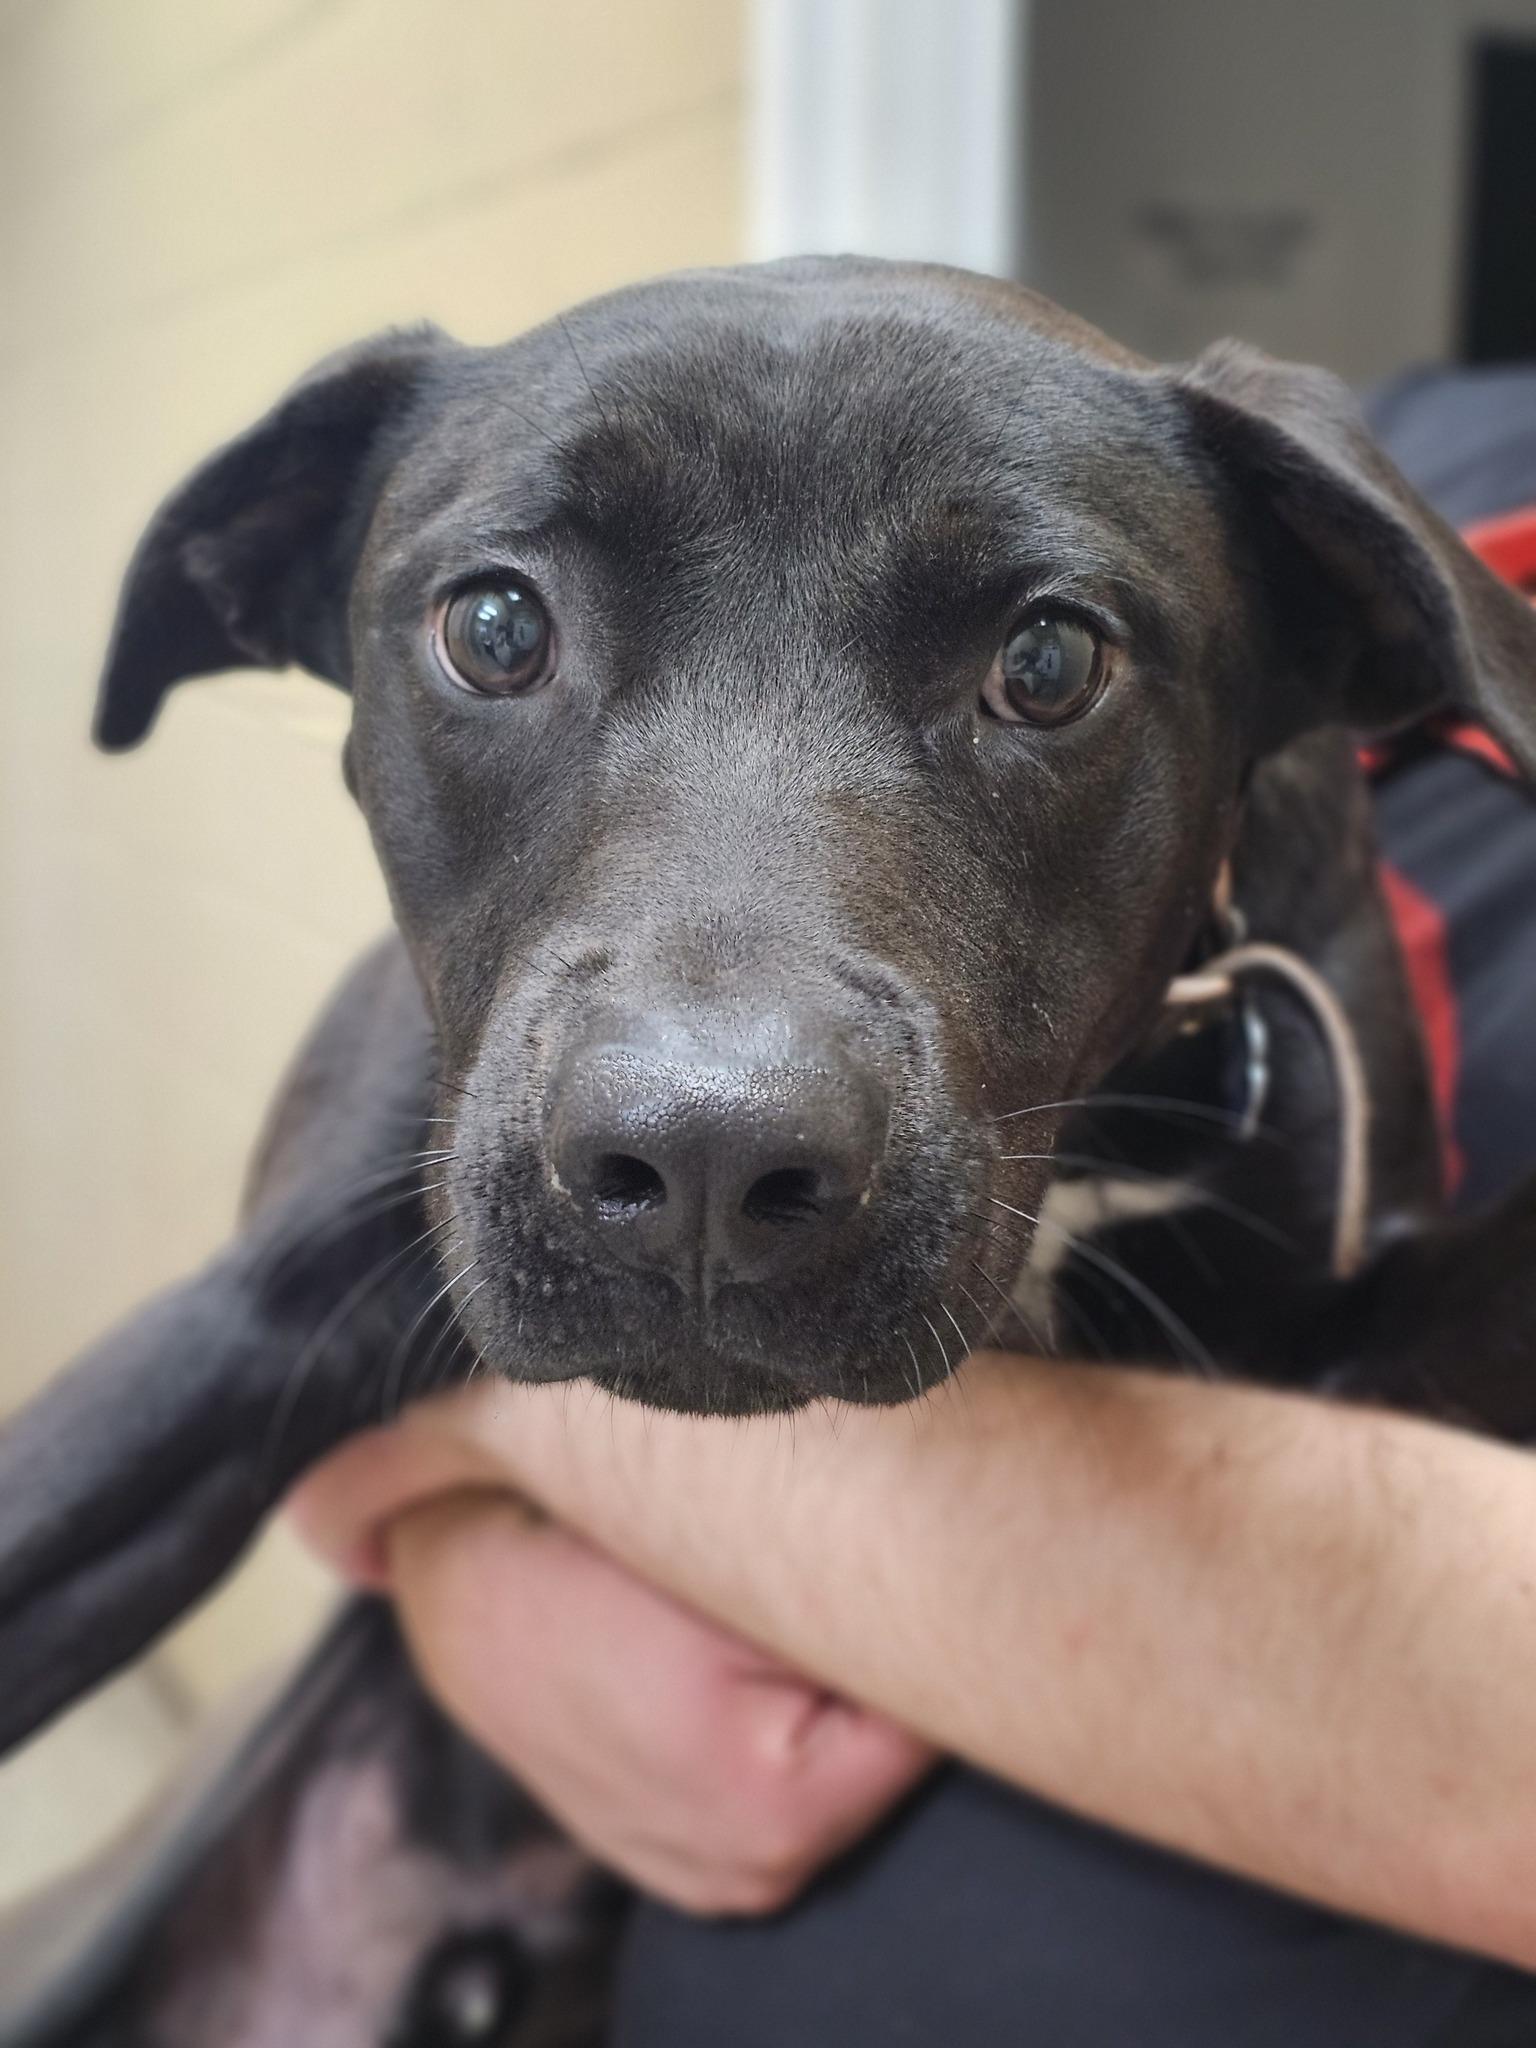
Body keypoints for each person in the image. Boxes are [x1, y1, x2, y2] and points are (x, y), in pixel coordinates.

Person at [294, 399, 1536, 2048]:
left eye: (1042, 673)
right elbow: (305, 1299)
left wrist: (472, 1422)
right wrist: (441, 1557)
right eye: (499, 631)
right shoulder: (1397, 448)